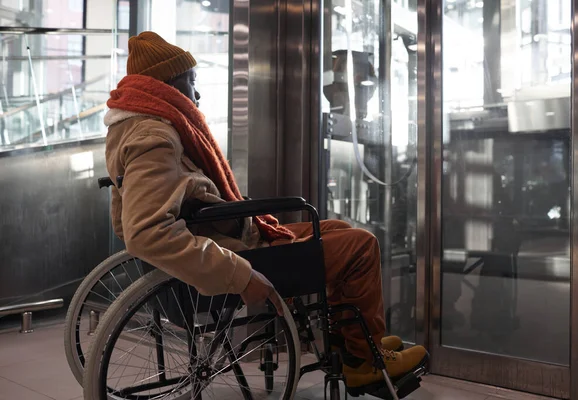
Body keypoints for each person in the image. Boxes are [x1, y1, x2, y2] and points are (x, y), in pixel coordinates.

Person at [104, 31, 428, 391]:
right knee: (361, 247)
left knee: (335, 227)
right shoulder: (154, 136)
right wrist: (239, 275)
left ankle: (358, 340)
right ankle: (362, 362)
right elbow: (147, 232)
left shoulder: (141, 128)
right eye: (191, 82)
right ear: (168, 85)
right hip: (237, 254)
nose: (197, 95)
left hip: (229, 236)